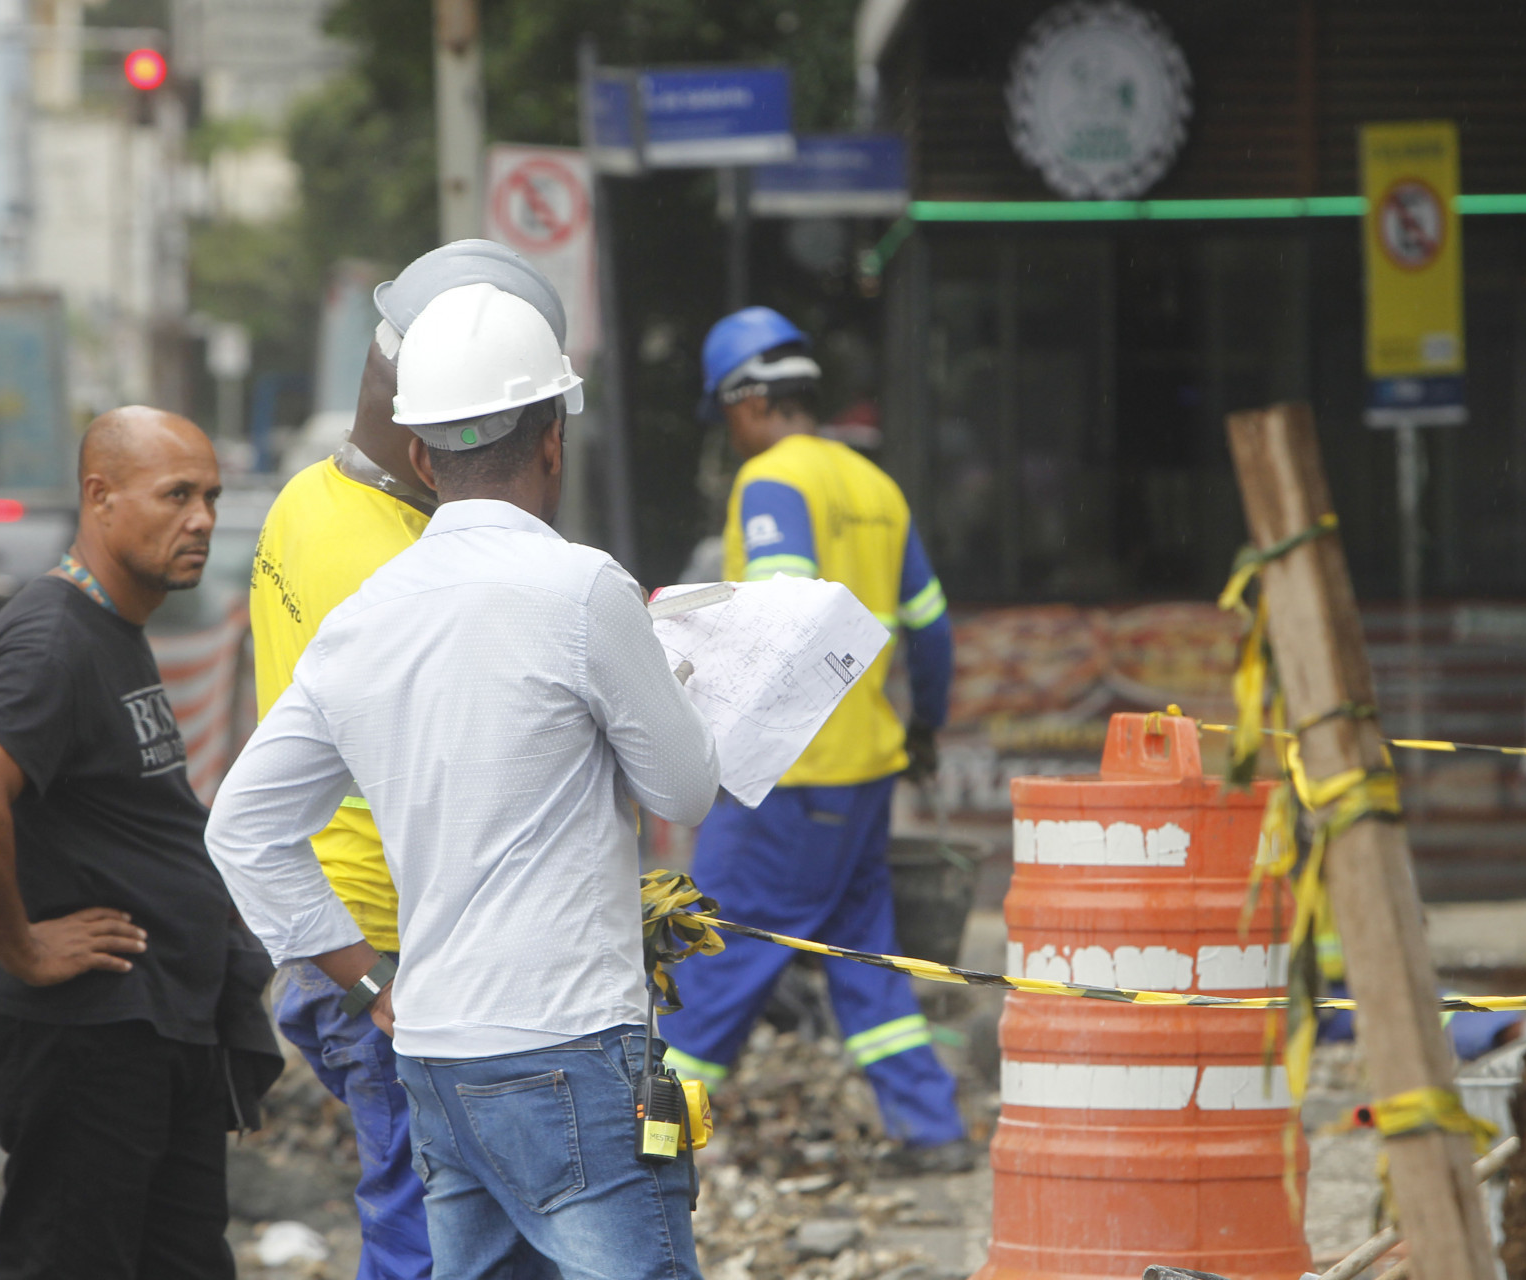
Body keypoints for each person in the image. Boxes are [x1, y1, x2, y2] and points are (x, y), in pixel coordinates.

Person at [207, 281, 720, 1280]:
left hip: (436, 1051)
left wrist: (366, 979)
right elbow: (685, 791)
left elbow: (242, 826)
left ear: (421, 456)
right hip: (569, 1039)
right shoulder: (582, 590)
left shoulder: (364, 618)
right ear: (553, 440)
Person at [249, 240, 569, 1280]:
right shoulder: (407, 569)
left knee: (448, 1216)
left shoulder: (307, 499)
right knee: (428, 1229)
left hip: (332, 937)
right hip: (390, 953)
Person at [0, 407, 282, 1280]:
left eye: (210, 496)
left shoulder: (109, 631)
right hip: (84, 1037)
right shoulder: (50, 639)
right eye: (175, 496)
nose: (200, 518)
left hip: (151, 1028)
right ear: (101, 497)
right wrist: (24, 946)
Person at [659, 306, 971, 1174]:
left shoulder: (771, 482)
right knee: (864, 957)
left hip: (787, 778)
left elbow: (776, 619)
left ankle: (659, 1140)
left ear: (748, 400)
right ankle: (932, 1129)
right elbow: (933, 629)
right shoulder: (876, 486)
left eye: (725, 414)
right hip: (865, 771)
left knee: (710, 952)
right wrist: (923, 729)